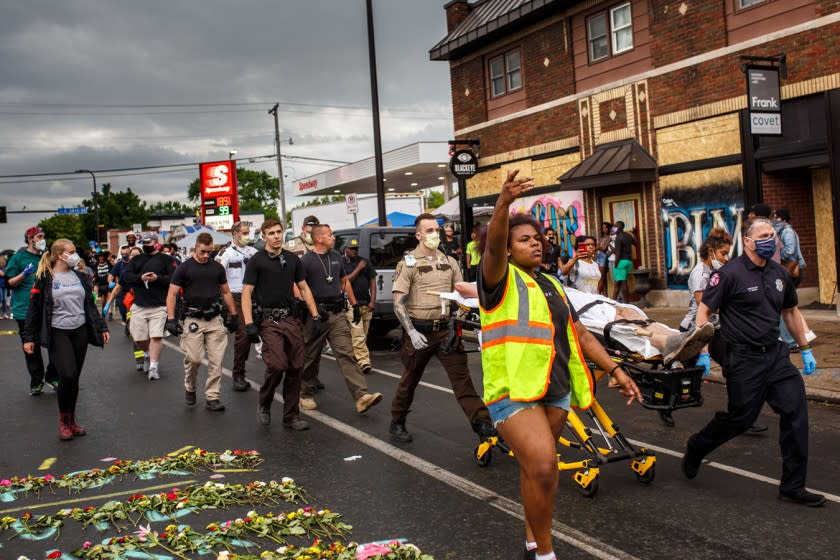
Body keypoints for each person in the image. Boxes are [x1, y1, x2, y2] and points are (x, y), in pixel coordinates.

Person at [479, 170, 643, 560]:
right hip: (514, 390)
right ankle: (546, 554)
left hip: (553, 389)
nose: (534, 244)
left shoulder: (551, 285)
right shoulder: (497, 278)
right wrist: (503, 204)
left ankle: (532, 539)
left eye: (537, 239)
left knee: (534, 470)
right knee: (545, 466)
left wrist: (618, 371)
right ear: (506, 249)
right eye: (524, 240)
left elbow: (582, 336)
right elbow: (492, 246)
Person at [682, 218, 823, 507]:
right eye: (765, 235)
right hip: (743, 358)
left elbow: (791, 313)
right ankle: (698, 446)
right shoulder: (730, 274)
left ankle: (793, 486)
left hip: (776, 355)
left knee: (796, 412)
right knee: (741, 418)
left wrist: (806, 348)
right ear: (747, 241)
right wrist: (705, 351)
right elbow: (704, 311)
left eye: (773, 234)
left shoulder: (780, 273)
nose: (772, 239)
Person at [389, 213, 495, 444]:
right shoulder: (407, 263)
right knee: (409, 380)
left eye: (436, 230)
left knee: (462, 380)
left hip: (446, 332)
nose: (434, 234)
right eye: (429, 231)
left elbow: (462, 294)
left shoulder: (449, 262)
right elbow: (398, 302)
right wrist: (411, 331)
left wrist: (466, 314)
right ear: (418, 235)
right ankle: (397, 421)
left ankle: (482, 424)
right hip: (419, 332)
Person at [22, 239, 110, 440]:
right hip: (58, 332)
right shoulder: (45, 278)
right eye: (71, 251)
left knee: (75, 378)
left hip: (79, 331)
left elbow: (89, 304)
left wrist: (101, 327)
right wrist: (28, 338)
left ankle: (72, 421)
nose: (75, 254)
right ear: (60, 255)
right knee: (67, 374)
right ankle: (63, 422)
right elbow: (34, 311)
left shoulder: (80, 276)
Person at [242, 219, 318, 430]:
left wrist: (315, 315)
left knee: (296, 366)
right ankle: (264, 403)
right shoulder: (256, 261)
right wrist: (249, 324)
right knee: (277, 365)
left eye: (279, 232)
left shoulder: (292, 259)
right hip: (268, 321)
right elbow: (247, 293)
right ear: (264, 236)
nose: (276, 236)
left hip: (290, 319)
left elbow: (304, 288)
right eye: (271, 233)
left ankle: (291, 416)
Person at [298, 224, 383, 414]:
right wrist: (311, 309)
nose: (333, 238)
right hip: (315, 315)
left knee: (346, 352)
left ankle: (361, 396)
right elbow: (297, 287)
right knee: (311, 356)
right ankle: (305, 393)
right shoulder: (306, 261)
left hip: (337, 314)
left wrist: (354, 305)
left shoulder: (336, 256)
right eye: (330, 235)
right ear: (319, 239)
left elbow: (344, 282)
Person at [166, 232, 238, 412]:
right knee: (194, 358)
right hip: (192, 319)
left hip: (214, 319)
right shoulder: (184, 268)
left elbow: (226, 291)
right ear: (195, 248)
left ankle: (213, 397)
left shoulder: (217, 268)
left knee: (217, 360)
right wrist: (171, 319)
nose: (206, 255)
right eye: (203, 252)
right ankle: (190, 387)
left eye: (209, 252)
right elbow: (172, 294)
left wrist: (233, 314)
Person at [6, 226, 58, 394]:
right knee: (31, 346)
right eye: (39, 236)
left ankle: (52, 376)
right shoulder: (18, 258)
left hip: (48, 308)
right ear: (30, 239)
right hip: (25, 310)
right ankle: (36, 381)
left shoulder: (48, 257)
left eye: (43, 236)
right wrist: (23, 274)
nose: (43, 239)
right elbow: (9, 283)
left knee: (56, 344)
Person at [122, 233, 177, 380]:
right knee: (138, 337)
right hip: (139, 305)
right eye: (144, 243)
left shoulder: (167, 259)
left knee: (156, 336)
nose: (146, 245)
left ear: (156, 243)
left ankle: (154, 366)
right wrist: (140, 278)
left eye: (148, 242)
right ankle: (147, 354)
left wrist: (157, 278)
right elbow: (125, 277)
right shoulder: (136, 260)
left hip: (159, 305)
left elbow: (174, 279)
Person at [219, 221, 259, 392]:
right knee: (243, 337)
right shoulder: (225, 254)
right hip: (236, 298)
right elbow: (219, 278)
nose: (246, 236)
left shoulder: (254, 252)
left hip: (256, 296)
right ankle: (238, 374)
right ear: (234, 234)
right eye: (243, 233)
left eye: (248, 233)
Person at [342, 238, 377, 374]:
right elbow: (345, 281)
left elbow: (372, 281)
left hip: (365, 303)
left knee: (363, 335)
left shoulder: (365, 261)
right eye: (352, 248)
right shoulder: (342, 262)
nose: (355, 251)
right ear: (345, 249)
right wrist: (358, 268)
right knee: (358, 335)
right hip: (351, 305)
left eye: (356, 249)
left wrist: (373, 300)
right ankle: (364, 362)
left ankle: (355, 357)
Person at [610, 221, 634, 302]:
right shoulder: (628, 236)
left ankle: (615, 303)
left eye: (615, 226)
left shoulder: (618, 238)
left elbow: (618, 252)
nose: (613, 228)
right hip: (629, 261)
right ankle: (626, 302)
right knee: (623, 282)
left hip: (621, 262)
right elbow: (636, 243)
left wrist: (616, 264)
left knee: (619, 284)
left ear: (618, 228)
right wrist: (632, 233)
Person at [596, 222, 612, 295]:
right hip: (599, 257)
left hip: (604, 257)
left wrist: (596, 248)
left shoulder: (609, 237)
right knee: (600, 277)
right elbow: (599, 246)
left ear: (609, 228)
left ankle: (599, 294)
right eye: (603, 228)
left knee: (602, 277)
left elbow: (604, 248)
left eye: (606, 227)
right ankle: (604, 295)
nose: (604, 229)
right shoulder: (602, 238)